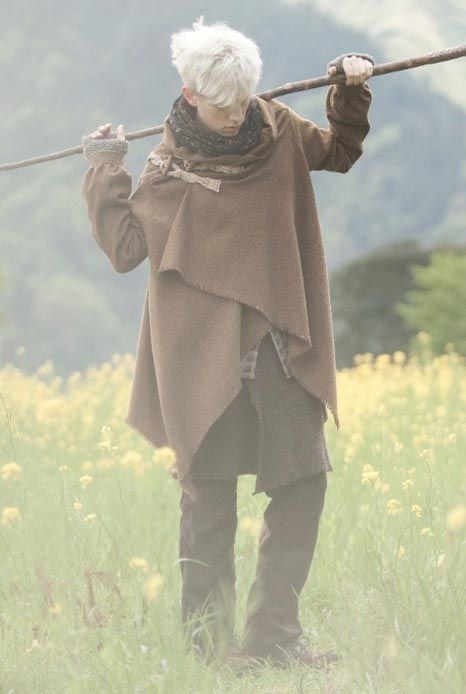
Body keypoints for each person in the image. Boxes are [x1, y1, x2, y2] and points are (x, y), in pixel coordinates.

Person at [81, 15, 374, 675]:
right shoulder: (166, 162)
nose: (237, 112)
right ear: (189, 95)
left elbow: (342, 151)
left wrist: (350, 90)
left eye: (244, 98)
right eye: (222, 103)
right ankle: (210, 653)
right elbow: (128, 249)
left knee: (303, 487)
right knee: (207, 501)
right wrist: (105, 171)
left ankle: (274, 638)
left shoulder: (278, 131)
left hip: (278, 347)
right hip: (200, 356)